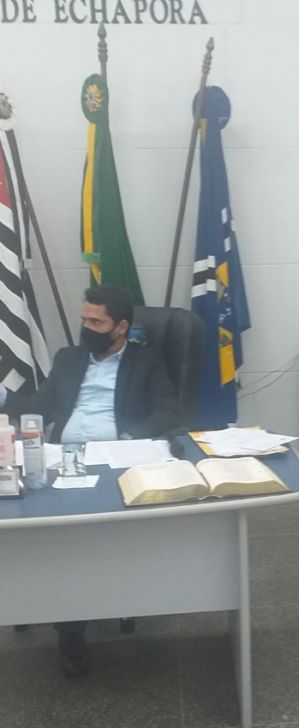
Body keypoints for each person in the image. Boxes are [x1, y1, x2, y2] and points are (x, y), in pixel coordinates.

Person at [0, 284, 182, 676]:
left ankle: (79, 621)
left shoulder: (145, 360)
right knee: (62, 539)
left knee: (87, 539)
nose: (87, 328)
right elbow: (38, 409)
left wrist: (131, 440)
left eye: (96, 322)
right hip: (63, 458)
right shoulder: (69, 358)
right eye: (84, 319)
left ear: (121, 327)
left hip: (116, 460)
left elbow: (168, 410)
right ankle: (70, 628)